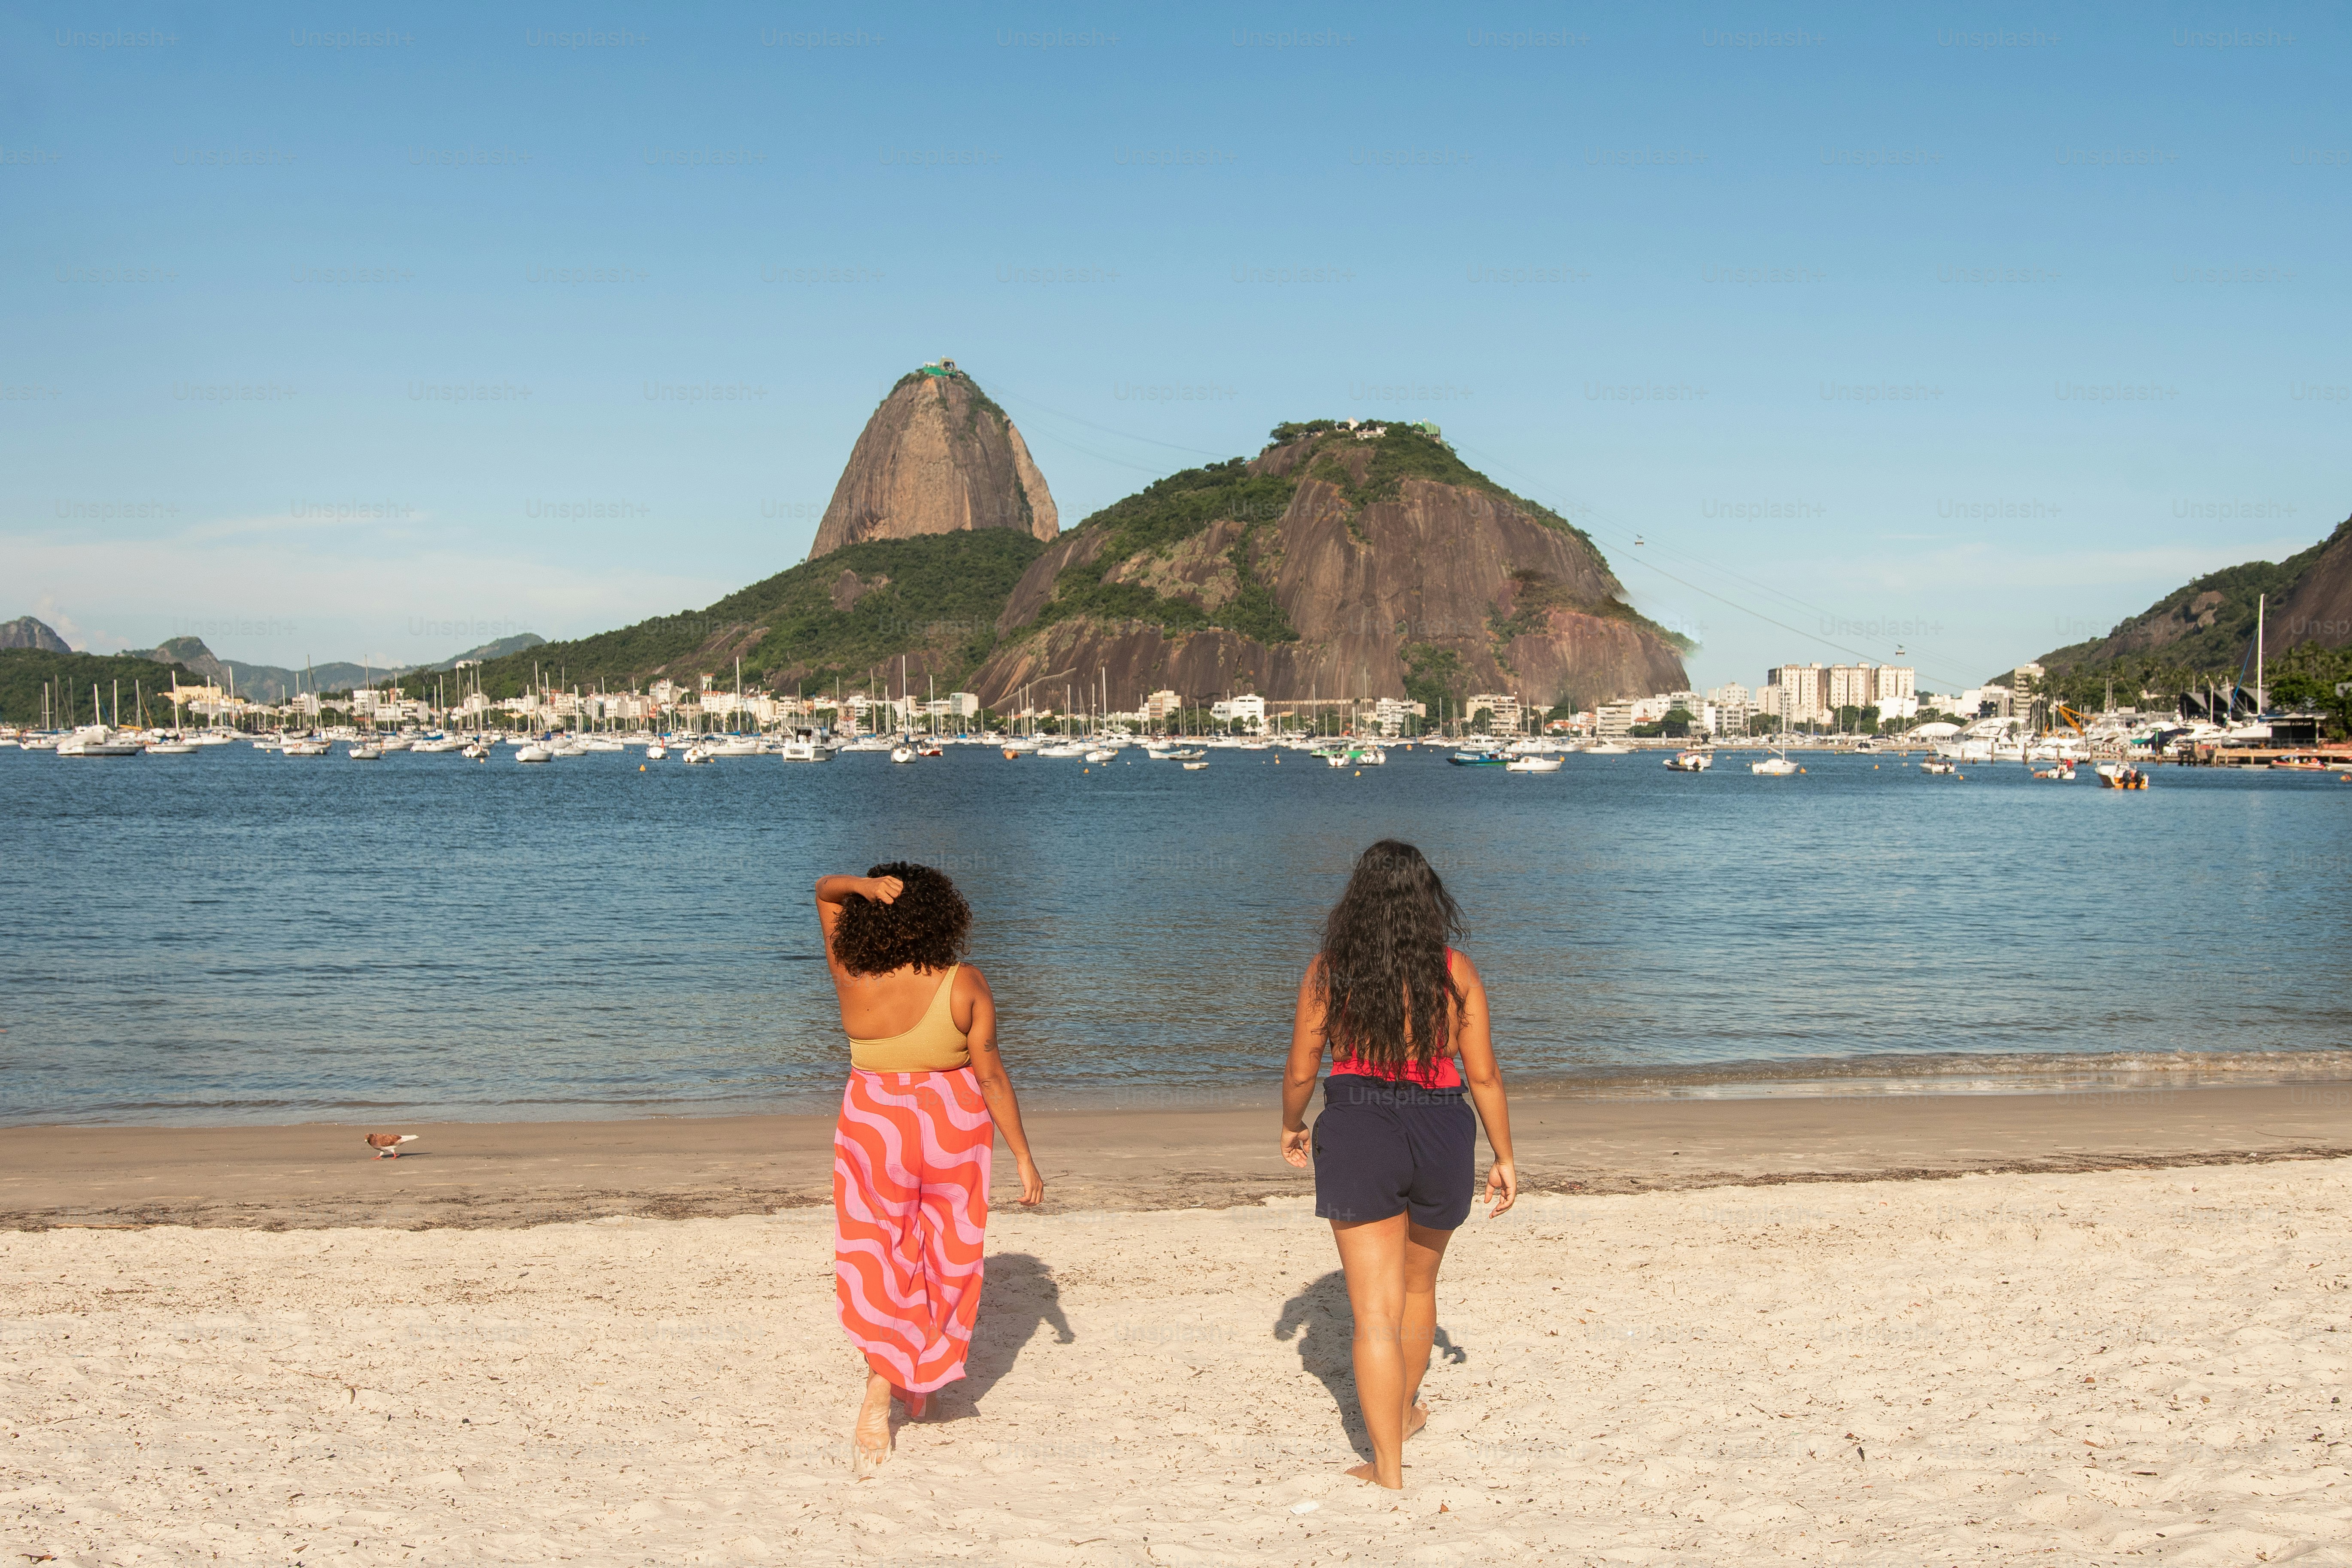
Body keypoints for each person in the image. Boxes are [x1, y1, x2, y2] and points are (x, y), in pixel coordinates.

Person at [1280, 840, 1517, 1489]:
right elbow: (1486, 1074)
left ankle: (1387, 1467)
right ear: (1427, 900)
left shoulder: (1331, 970)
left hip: (1361, 1126)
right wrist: (1505, 1155)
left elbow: (1303, 1067)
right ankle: (1406, 1411)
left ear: (1356, 903)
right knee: (1418, 1290)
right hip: (1442, 1124)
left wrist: (1291, 1121)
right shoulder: (1455, 971)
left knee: (1374, 1313)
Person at [817, 865, 1044, 1472]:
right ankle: (905, 1378)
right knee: (946, 1255)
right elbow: (991, 1074)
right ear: (943, 918)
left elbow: (824, 890)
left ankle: (887, 1379)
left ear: (870, 917)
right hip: (950, 1125)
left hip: (874, 1124)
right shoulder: (964, 982)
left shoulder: (851, 972)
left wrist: (859, 888)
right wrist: (1022, 1153)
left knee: (878, 1252)